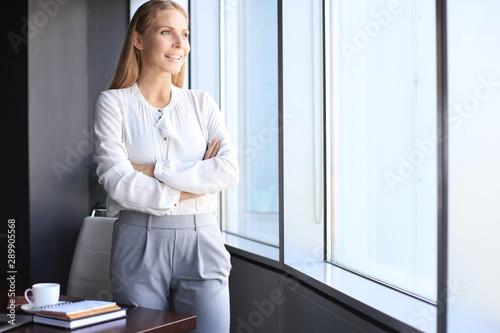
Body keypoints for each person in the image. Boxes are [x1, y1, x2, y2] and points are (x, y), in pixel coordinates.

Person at [92, 1, 239, 332]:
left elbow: (228, 170)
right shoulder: (112, 103)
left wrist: (151, 169)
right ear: (139, 40)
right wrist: (196, 179)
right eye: (167, 32)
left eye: (184, 34)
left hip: (202, 240)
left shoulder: (202, 103)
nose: (180, 44)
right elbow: (116, 182)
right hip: (137, 242)